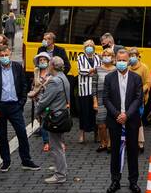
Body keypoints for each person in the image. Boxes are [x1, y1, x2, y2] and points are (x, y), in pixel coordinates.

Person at [0, 44, 40, 172]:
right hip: (0, 107)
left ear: (10, 55)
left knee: (22, 133)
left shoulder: (17, 67)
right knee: (2, 135)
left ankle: (26, 160)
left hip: (15, 105)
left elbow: (23, 84)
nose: (4, 58)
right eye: (2, 56)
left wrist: (22, 101)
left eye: (6, 55)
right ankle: (6, 161)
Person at [103, 47, 142, 193]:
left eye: (124, 60)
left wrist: (127, 115)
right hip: (115, 120)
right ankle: (115, 181)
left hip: (131, 120)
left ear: (128, 61)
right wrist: (117, 114)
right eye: (118, 60)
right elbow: (105, 99)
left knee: (133, 151)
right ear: (114, 60)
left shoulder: (136, 78)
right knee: (115, 151)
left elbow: (138, 99)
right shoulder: (109, 78)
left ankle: (133, 181)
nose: (121, 63)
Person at [36, 55, 72, 184]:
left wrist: (37, 111)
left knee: (55, 146)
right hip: (62, 115)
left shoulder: (55, 81)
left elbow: (45, 100)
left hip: (55, 117)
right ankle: (59, 167)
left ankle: (60, 174)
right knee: (59, 144)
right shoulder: (63, 78)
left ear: (52, 66)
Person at [28, 52, 55, 153]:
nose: (42, 62)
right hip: (39, 101)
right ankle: (46, 142)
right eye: (40, 60)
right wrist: (34, 93)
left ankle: (56, 141)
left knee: (53, 121)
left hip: (50, 100)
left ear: (48, 62)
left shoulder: (52, 73)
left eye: (44, 60)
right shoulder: (36, 72)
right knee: (43, 122)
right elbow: (34, 85)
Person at [75, 40, 100, 145]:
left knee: (95, 113)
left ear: (94, 47)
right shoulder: (80, 57)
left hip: (96, 90)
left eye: (91, 45)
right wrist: (92, 71)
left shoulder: (98, 57)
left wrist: (90, 71)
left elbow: (99, 70)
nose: (89, 47)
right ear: (84, 48)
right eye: (87, 46)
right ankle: (82, 134)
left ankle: (96, 134)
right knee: (83, 112)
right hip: (84, 90)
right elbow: (81, 71)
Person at [128, 46, 151, 150]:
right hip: (128, 98)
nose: (132, 57)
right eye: (130, 55)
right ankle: (131, 141)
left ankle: (140, 142)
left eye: (134, 55)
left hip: (139, 98)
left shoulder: (144, 67)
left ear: (138, 56)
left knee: (138, 119)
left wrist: (139, 91)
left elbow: (148, 83)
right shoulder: (127, 68)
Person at [96, 47, 116, 152]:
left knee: (112, 123)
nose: (106, 57)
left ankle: (109, 143)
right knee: (101, 124)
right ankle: (102, 143)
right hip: (100, 99)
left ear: (113, 57)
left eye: (108, 55)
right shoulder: (97, 69)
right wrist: (94, 101)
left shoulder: (116, 69)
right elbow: (93, 86)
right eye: (104, 55)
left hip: (113, 100)